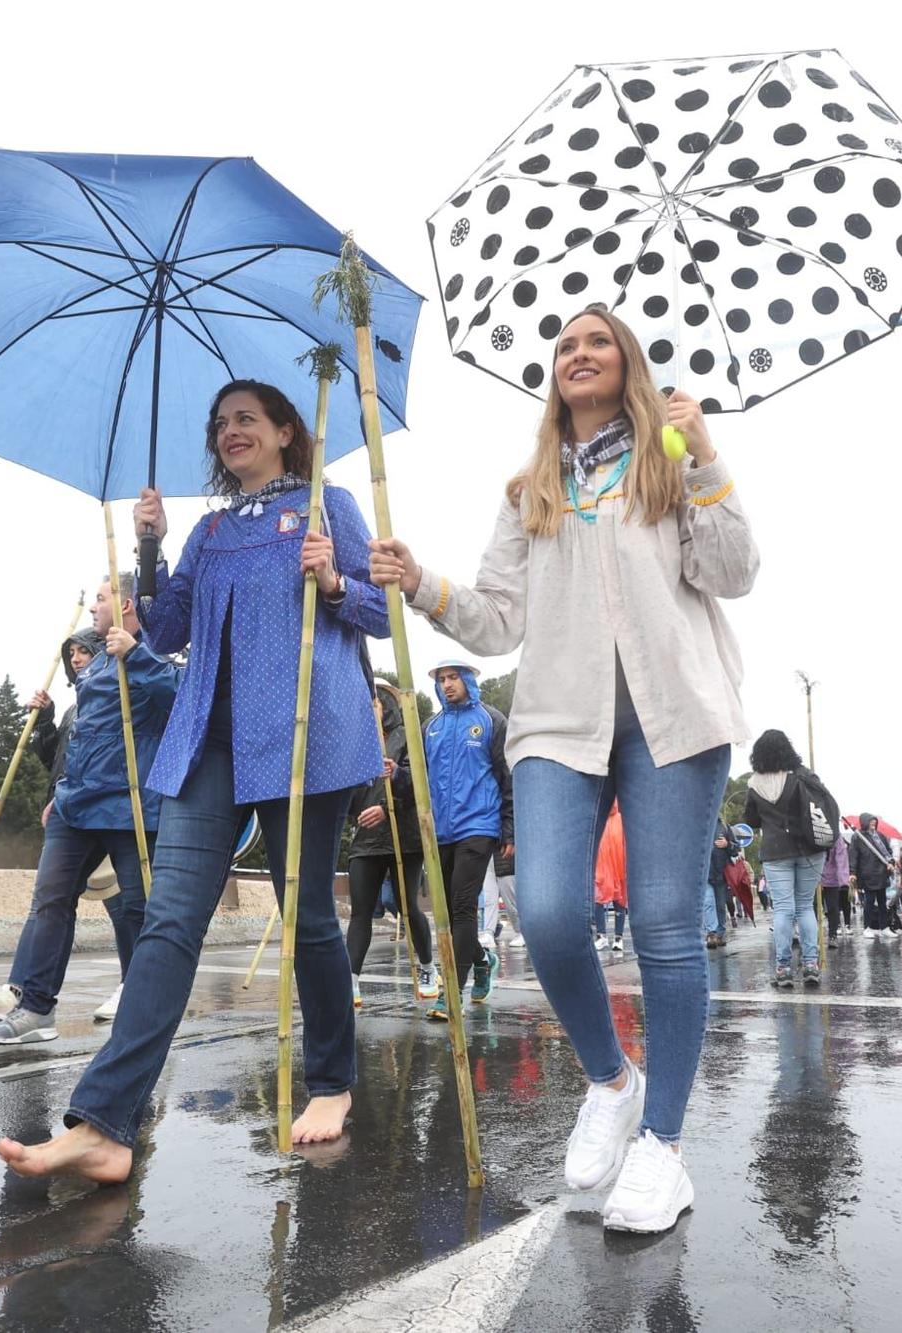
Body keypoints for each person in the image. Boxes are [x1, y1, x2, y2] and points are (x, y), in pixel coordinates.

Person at [368, 302, 755, 1234]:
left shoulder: (670, 460)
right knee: (543, 911)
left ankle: (663, 1147)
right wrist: (421, 582)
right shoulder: (526, 491)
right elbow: (499, 619)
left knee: (664, 927)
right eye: (566, 346)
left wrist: (703, 458)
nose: (579, 354)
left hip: (675, 721)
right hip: (555, 724)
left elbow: (735, 572)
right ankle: (610, 1079)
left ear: (626, 364)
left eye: (597, 343)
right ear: (555, 376)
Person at [0, 379, 388, 1180]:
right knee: (169, 917)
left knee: (307, 911)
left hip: (304, 735)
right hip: (206, 739)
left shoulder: (329, 504)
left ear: (286, 429)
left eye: (247, 418)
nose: (229, 431)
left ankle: (331, 1081)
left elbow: (383, 612)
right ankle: (104, 1122)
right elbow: (166, 627)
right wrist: (150, 548)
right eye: (220, 423)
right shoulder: (209, 530)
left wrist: (340, 583)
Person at [0, 584, 179, 1043]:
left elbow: (180, 699)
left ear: (127, 604)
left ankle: (141, 1012)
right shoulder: (94, 666)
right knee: (50, 901)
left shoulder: (157, 652)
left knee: (137, 911)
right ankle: (35, 1008)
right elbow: (84, 736)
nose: (94, 607)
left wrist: (135, 654)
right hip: (74, 806)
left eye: (100, 598)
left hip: (131, 806)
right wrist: (63, 785)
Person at [421, 660, 515, 1018]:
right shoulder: (431, 726)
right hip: (441, 831)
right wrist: (395, 774)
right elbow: (419, 777)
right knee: (447, 910)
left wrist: (509, 827)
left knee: (462, 908)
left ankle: (450, 991)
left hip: (479, 825)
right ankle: (481, 959)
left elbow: (507, 776)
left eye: (453, 677)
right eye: (441, 679)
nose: (447, 684)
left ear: (469, 679)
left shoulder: (491, 721)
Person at [344, 682, 441, 1007]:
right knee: (360, 912)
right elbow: (345, 791)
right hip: (365, 840)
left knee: (406, 906)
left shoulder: (408, 737)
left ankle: (428, 968)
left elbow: (422, 785)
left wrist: (393, 792)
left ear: (384, 705)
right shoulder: (353, 740)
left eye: (373, 704)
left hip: (404, 836)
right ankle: (351, 982)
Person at [741, 730, 836, 986]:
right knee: (805, 907)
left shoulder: (754, 784)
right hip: (808, 850)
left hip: (775, 852)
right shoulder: (801, 777)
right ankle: (810, 964)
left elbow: (750, 820)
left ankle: (782, 969)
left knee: (783, 909)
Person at [848, 813, 898, 942]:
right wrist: (852, 872)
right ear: (864, 822)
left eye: (874, 822)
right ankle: (867, 927)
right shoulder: (857, 837)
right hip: (867, 873)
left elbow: (888, 852)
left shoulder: (880, 836)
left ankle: (884, 927)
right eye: (870, 822)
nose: (873, 824)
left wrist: (891, 863)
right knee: (869, 902)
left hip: (881, 873)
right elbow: (853, 855)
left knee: (883, 902)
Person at [594, 802, 629, 952]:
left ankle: (614, 937)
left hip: (616, 866)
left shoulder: (618, 820)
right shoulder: (601, 820)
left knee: (617, 899)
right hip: (603, 867)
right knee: (601, 898)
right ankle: (605, 936)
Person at [704, 822, 733, 949]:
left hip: (722, 875)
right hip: (704, 874)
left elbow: (735, 849)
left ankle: (720, 933)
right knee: (708, 903)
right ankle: (712, 933)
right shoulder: (695, 824)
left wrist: (728, 844)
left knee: (721, 906)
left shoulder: (725, 827)